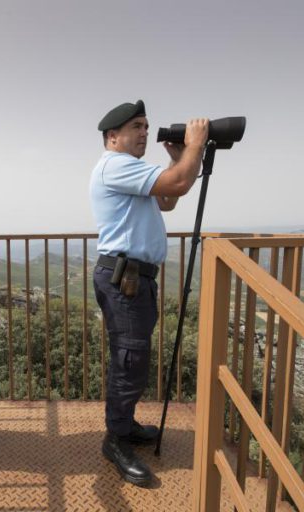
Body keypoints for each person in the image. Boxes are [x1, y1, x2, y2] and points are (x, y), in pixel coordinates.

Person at [90, 99, 208, 487]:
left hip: (136, 279)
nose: (144, 132)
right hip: (124, 279)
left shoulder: (131, 169)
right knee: (130, 361)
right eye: (136, 126)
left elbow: (168, 199)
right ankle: (116, 439)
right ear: (113, 137)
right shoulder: (115, 164)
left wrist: (178, 158)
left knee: (134, 360)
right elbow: (179, 183)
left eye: (146, 125)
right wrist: (194, 145)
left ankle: (123, 426)